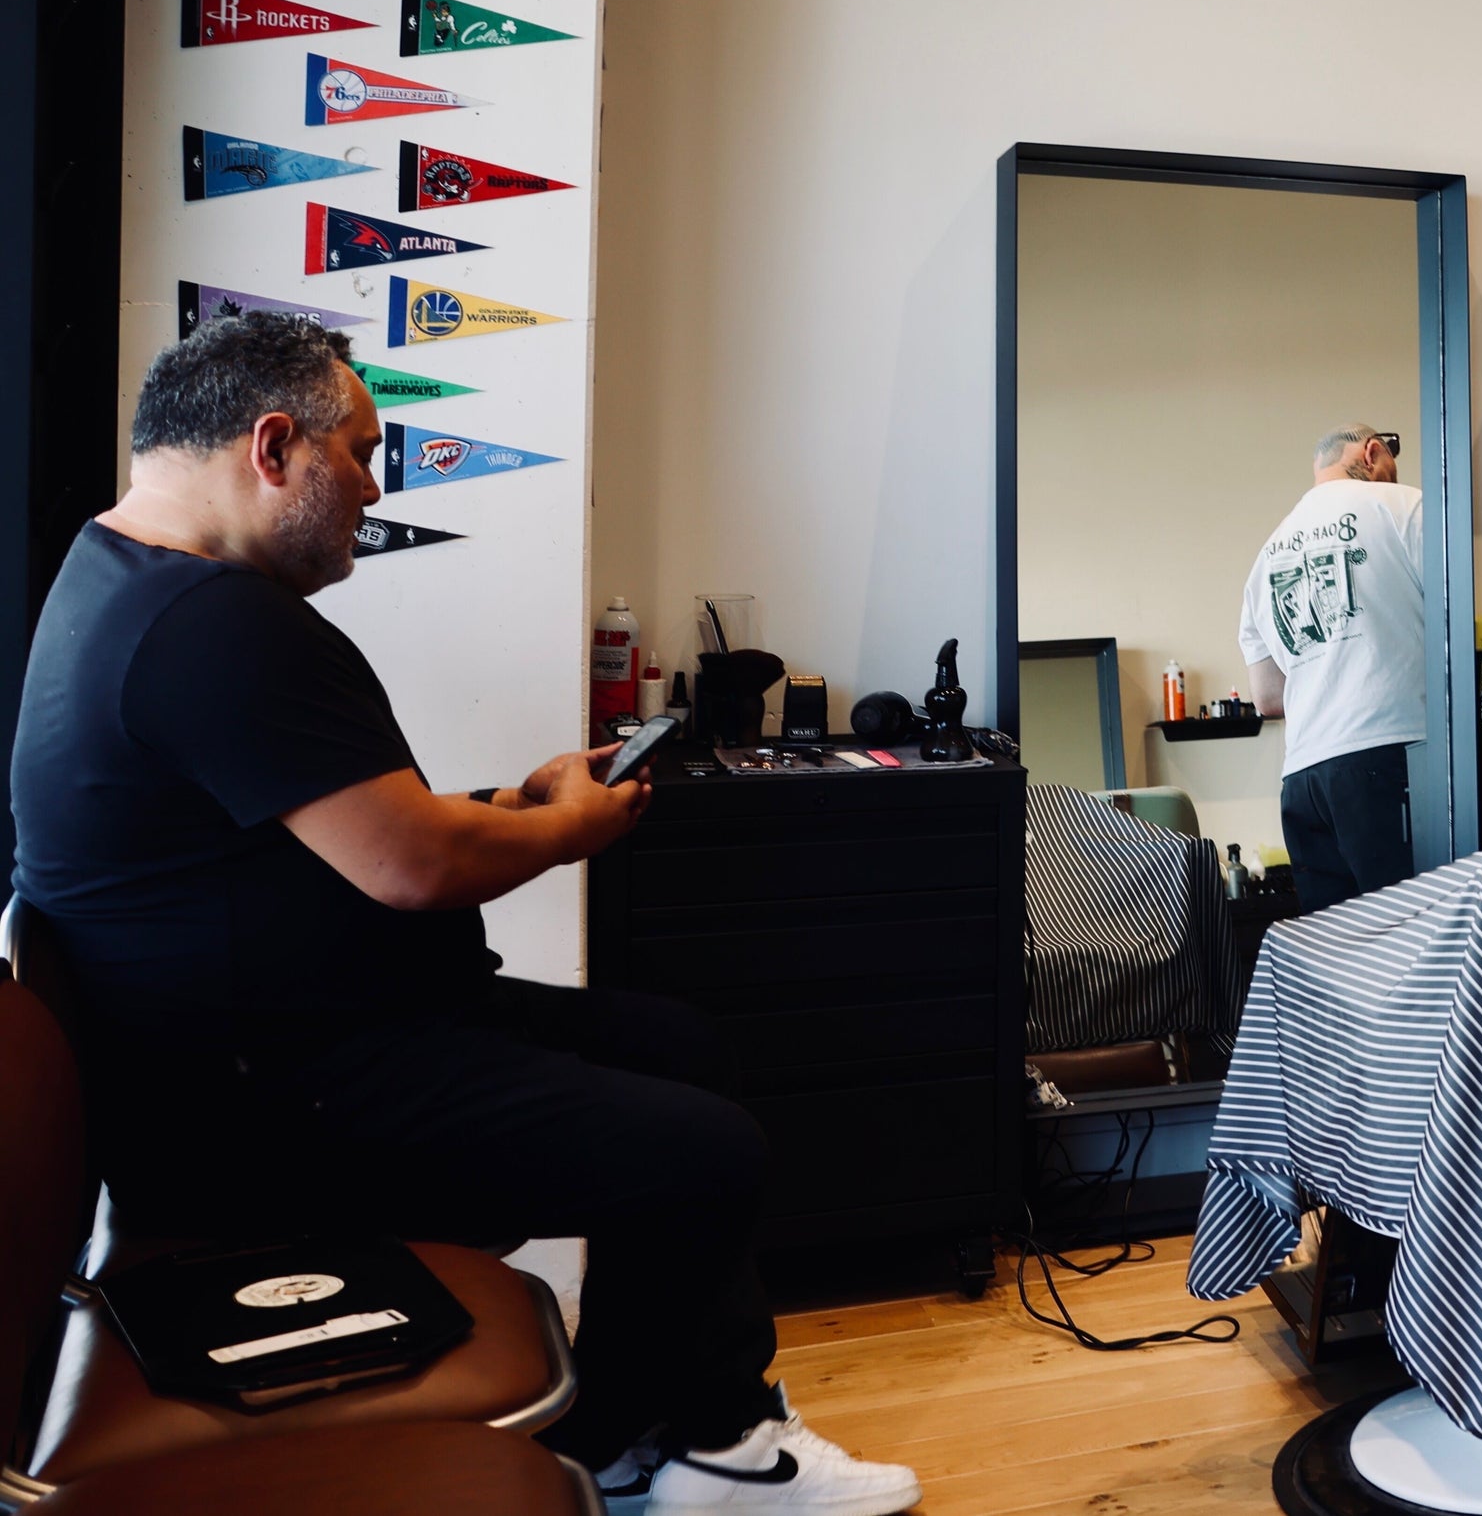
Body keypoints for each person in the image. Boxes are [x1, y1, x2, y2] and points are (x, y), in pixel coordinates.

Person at [4, 313, 917, 1514]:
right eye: (364, 452)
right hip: (262, 1111)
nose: (374, 490)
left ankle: (714, 1427)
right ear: (275, 446)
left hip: (247, 1054)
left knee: (684, 1046)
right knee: (707, 1152)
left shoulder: (113, 579)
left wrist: (516, 799)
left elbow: (330, 823)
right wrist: (568, 828)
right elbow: (413, 867)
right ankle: (635, 1445)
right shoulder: (210, 623)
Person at [1239, 423, 1428, 910]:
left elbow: (1268, 698)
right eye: (1390, 461)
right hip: (1385, 756)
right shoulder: (1405, 506)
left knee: (1340, 951)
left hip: (1303, 779)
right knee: (1411, 936)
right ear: (1371, 452)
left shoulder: (1266, 556)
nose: (1392, 473)